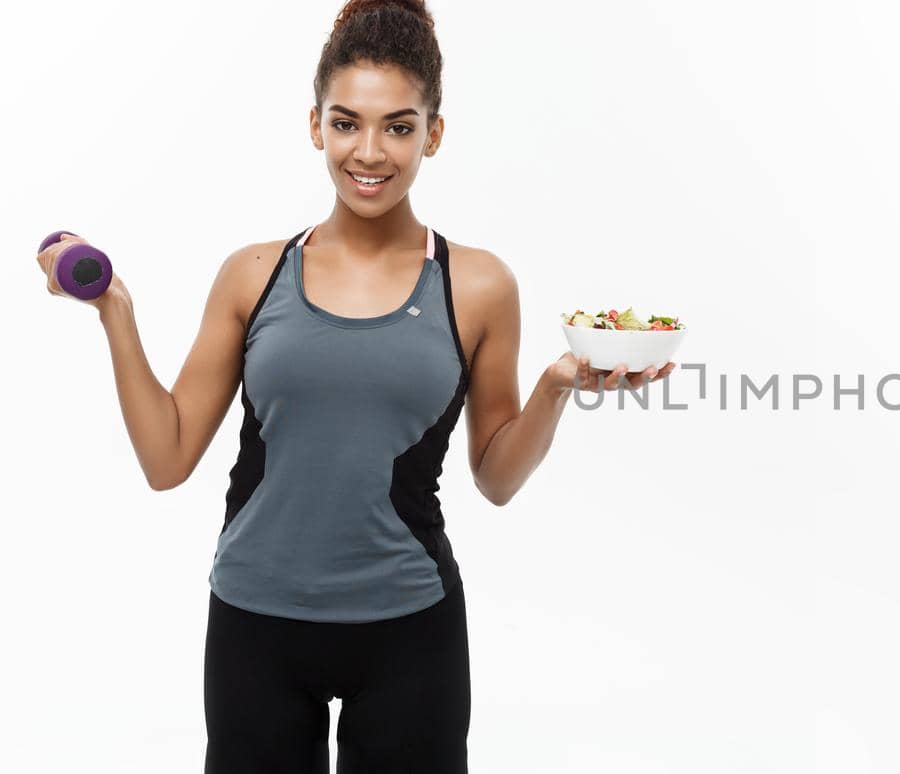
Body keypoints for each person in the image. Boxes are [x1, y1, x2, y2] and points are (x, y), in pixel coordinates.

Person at [32, 1, 674, 771]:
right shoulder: (253, 274)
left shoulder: (476, 285)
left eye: (398, 127)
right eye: (347, 123)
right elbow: (166, 460)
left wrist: (558, 384)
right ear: (315, 126)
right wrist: (115, 311)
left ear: (433, 134)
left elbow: (496, 479)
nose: (369, 152)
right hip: (255, 623)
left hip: (409, 628)